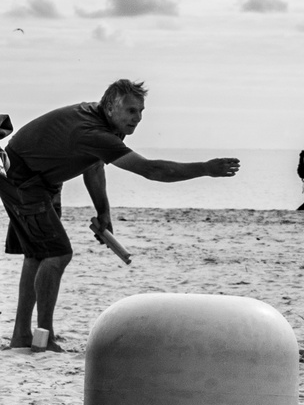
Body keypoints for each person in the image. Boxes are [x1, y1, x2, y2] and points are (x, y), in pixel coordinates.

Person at [0, 80, 240, 352]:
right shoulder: (92, 131)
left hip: (41, 179)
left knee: (38, 254)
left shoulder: (105, 125)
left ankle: (22, 337)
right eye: (130, 111)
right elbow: (151, 170)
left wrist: (103, 212)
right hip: (22, 179)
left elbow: (93, 166)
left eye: (140, 111)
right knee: (56, 254)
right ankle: (43, 339)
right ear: (111, 107)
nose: (137, 118)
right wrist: (205, 168)